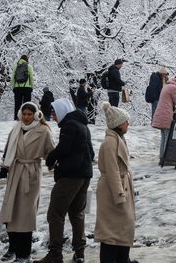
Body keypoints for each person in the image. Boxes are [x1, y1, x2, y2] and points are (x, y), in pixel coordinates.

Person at [38, 99, 94, 263]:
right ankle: (79, 253)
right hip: (85, 175)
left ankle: (55, 255)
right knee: (77, 214)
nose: (53, 117)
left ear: (62, 110)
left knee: (55, 214)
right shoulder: (83, 125)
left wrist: (51, 158)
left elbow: (64, 148)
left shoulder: (69, 126)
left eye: (54, 112)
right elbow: (91, 152)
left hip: (70, 176)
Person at [0, 102, 55, 263]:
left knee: (25, 215)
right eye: (24, 114)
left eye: (30, 114)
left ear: (36, 115)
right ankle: (13, 249)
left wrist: (57, 167)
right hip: (15, 172)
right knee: (10, 213)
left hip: (31, 174)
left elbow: (51, 152)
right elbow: (8, 148)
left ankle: (24, 254)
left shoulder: (43, 131)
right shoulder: (16, 129)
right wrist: (4, 166)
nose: (26, 117)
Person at [95, 102, 136, 263]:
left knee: (121, 230)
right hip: (113, 192)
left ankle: (122, 259)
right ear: (118, 124)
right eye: (125, 121)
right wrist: (119, 194)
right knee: (111, 233)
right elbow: (112, 171)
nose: (128, 124)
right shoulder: (110, 143)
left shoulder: (117, 139)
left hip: (119, 188)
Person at [151, 72, 176, 163]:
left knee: (163, 137)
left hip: (159, 114)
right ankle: (166, 158)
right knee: (167, 137)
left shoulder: (165, 86)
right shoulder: (173, 88)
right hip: (166, 115)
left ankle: (162, 157)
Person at [11, 55, 35, 120]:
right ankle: (26, 118)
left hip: (17, 88)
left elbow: (12, 78)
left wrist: (13, 86)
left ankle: (17, 118)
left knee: (17, 105)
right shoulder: (29, 66)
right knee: (27, 105)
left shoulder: (16, 66)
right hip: (27, 88)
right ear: (26, 60)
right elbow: (31, 78)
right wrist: (31, 86)